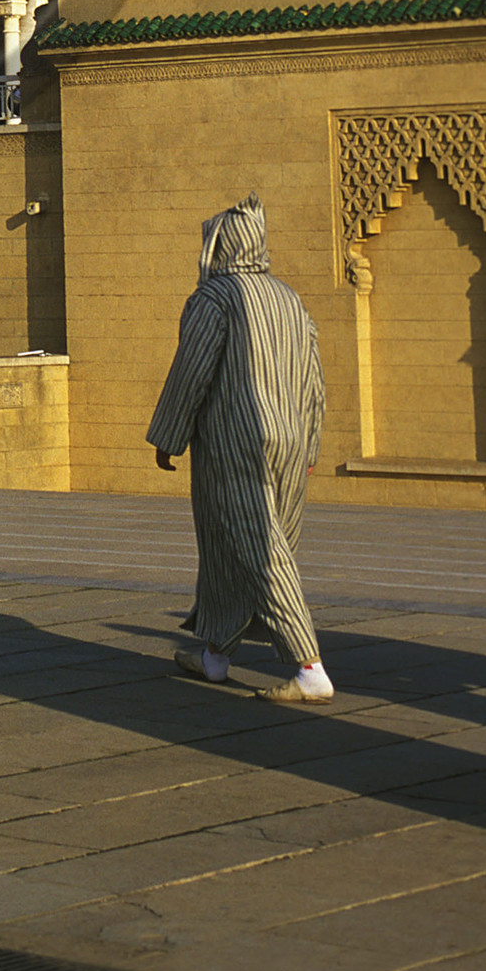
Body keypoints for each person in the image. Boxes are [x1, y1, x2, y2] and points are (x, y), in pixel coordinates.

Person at [147, 193, 333, 705]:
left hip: (238, 440)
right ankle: (215, 656)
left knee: (258, 548)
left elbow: (193, 369)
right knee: (236, 547)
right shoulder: (289, 298)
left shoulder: (215, 297)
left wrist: (170, 435)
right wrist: (311, 440)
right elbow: (314, 378)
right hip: (292, 440)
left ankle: (309, 667)